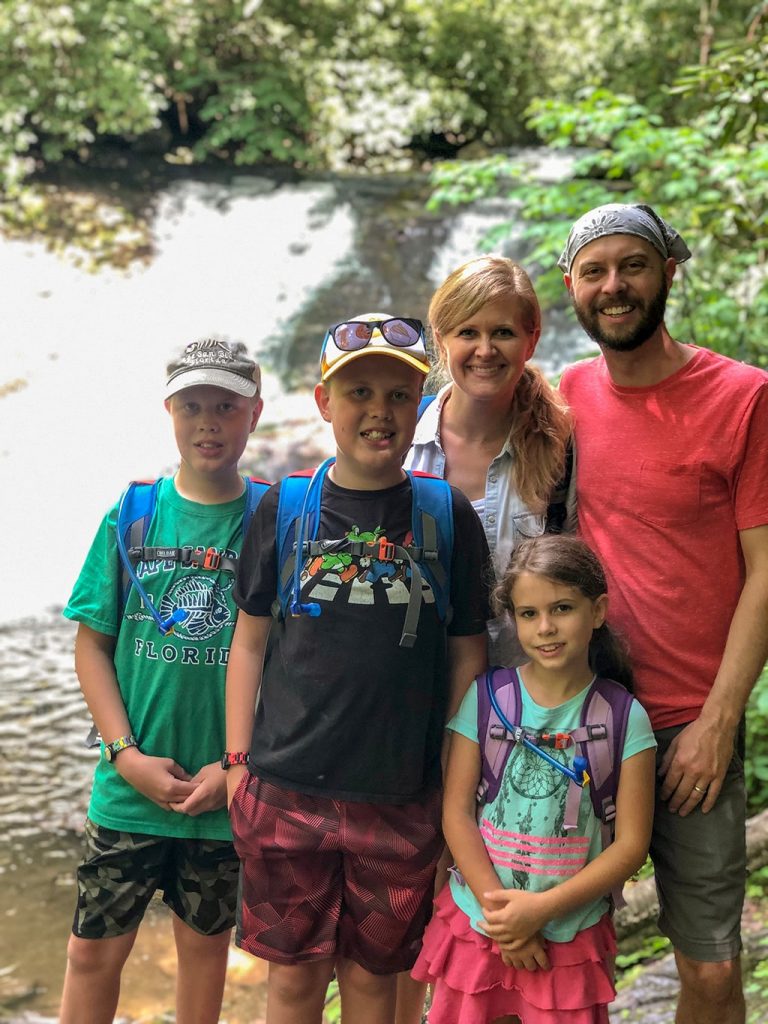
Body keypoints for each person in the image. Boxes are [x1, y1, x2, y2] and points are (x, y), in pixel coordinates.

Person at [225, 313, 491, 1024]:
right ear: (324, 403)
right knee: (291, 983)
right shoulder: (286, 509)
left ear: (420, 406)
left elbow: (467, 652)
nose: (380, 413)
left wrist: (454, 782)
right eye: (360, 394)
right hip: (284, 790)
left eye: (399, 397)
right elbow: (249, 641)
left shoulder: (445, 516)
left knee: (374, 981)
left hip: (401, 796)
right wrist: (235, 762)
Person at [557, 201, 768, 1024]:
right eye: (596, 271)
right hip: (578, 722)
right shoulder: (565, 395)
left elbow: (765, 572)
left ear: (668, 270)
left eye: (632, 266)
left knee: (711, 969)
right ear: (573, 287)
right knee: (559, 955)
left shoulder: (744, 397)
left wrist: (722, 717)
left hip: (690, 729)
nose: (615, 287)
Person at [59, 338, 264, 1024]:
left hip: (222, 789)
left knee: (204, 951)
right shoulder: (133, 513)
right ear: (170, 412)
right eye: (194, 406)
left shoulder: (274, 521)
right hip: (128, 789)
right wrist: (126, 755)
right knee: (91, 953)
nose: (209, 422)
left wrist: (234, 766)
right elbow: (93, 646)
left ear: (254, 414)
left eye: (226, 407)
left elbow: (290, 661)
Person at [412, 534, 656, 1023]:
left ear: (598, 610)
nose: (545, 628)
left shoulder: (624, 718)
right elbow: (457, 811)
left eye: (562, 608)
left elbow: (631, 846)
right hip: (478, 920)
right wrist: (502, 917)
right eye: (528, 614)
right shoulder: (487, 700)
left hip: (569, 931)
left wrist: (540, 912)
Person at [405, 255, 572, 667]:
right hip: (420, 690)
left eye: (503, 332)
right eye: (468, 332)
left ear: (531, 341)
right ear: (441, 341)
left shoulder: (562, 446)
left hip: (526, 696)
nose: (485, 350)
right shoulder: (402, 444)